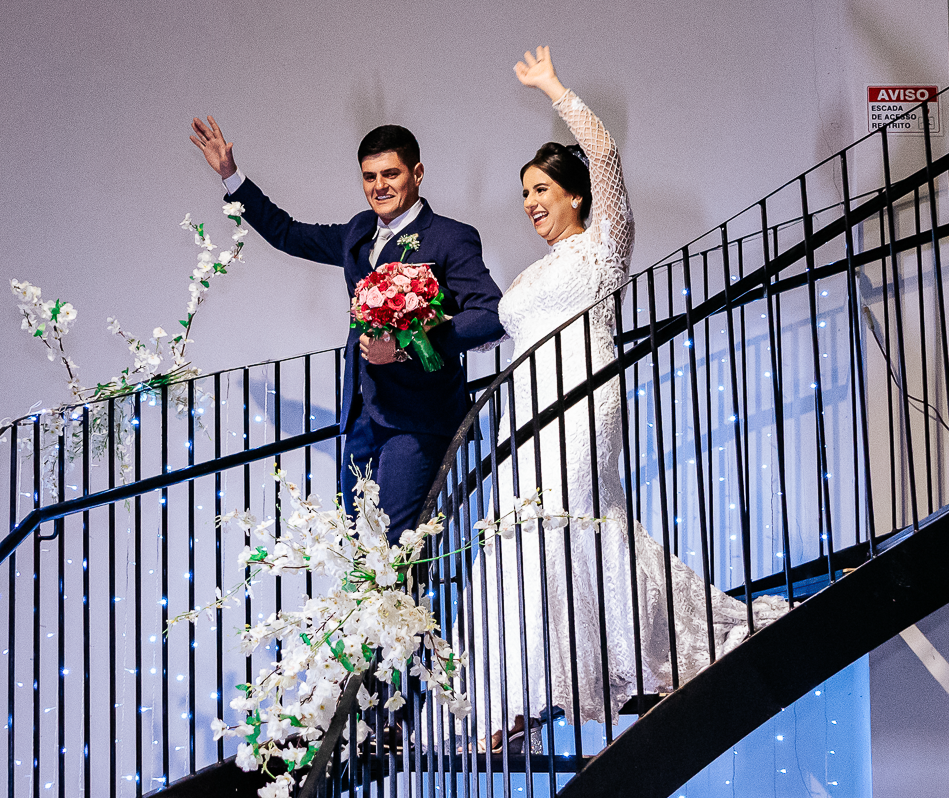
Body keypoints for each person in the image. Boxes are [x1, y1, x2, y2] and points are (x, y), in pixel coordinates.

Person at [457, 47, 786, 752]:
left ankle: (629, 662)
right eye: (524, 193)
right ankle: (527, 698)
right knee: (519, 536)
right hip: (526, 412)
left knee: (578, 520)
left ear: (575, 194)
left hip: (580, 400)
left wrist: (554, 89)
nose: (530, 204)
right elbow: (492, 330)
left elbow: (602, 150)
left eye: (541, 189)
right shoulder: (531, 273)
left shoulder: (605, 247)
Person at [189, 117, 504, 543]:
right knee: (360, 548)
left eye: (390, 174)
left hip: (416, 419)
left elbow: (489, 313)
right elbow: (287, 234)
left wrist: (407, 346)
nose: (379, 186)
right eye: (369, 177)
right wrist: (232, 176)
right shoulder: (358, 231)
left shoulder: (449, 237)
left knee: (393, 549)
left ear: (417, 174)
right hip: (359, 416)